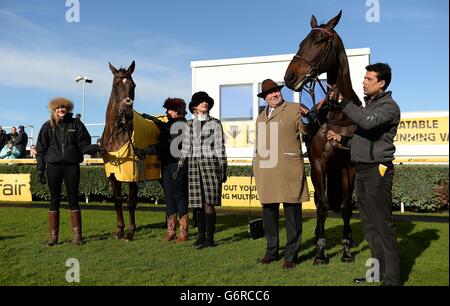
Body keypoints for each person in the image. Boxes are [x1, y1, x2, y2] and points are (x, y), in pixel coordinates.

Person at [326, 63, 401, 286]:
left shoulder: (389, 107)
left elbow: (366, 124)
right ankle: (375, 274)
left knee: (382, 226)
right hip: (363, 169)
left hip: (378, 170)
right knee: (369, 226)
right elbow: (364, 137)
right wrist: (343, 139)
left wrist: (342, 101)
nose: (364, 82)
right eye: (364, 78)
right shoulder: (370, 105)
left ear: (381, 83)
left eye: (369, 79)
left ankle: (393, 280)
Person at [253, 79, 313, 269]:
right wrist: (256, 167)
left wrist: (307, 117)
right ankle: (271, 252)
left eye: (276, 91)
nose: (273, 95)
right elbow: (260, 145)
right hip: (266, 171)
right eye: (269, 93)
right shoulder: (261, 117)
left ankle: (291, 256)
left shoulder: (295, 108)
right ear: (265, 98)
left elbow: (306, 130)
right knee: (269, 215)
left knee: (292, 215)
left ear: (280, 92)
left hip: (288, 169)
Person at [36, 97, 102, 246]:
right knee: (54, 201)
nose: (61, 110)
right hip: (53, 167)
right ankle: (53, 237)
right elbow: (41, 148)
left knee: (73, 200)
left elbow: (84, 145)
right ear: (54, 110)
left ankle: (77, 236)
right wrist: (40, 168)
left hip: (72, 166)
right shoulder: (47, 126)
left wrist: (97, 148)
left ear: (68, 109)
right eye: (58, 108)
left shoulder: (76, 124)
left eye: (63, 108)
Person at [176, 91, 227, 249]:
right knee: (197, 204)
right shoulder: (189, 125)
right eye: (201, 101)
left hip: (210, 165)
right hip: (193, 167)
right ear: (194, 107)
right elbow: (185, 148)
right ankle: (200, 237)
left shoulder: (215, 123)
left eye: (206, 101)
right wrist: (179, 167)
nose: (204, 103)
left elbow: (220, 147)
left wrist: (223, 167)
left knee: (208, 202)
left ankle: (210, 239)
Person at [142, 98, 190, 242]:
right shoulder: (171, 125)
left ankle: (183, 232)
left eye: (169, 110)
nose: (166, 112)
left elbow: (169, 145)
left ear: (176, 111)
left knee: (179, 196)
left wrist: (147, 150)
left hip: (177, 164)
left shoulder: (182, 125)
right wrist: (153, 120)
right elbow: (165, 131)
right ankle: (171, 232)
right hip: (167, 164)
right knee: (169, 197)